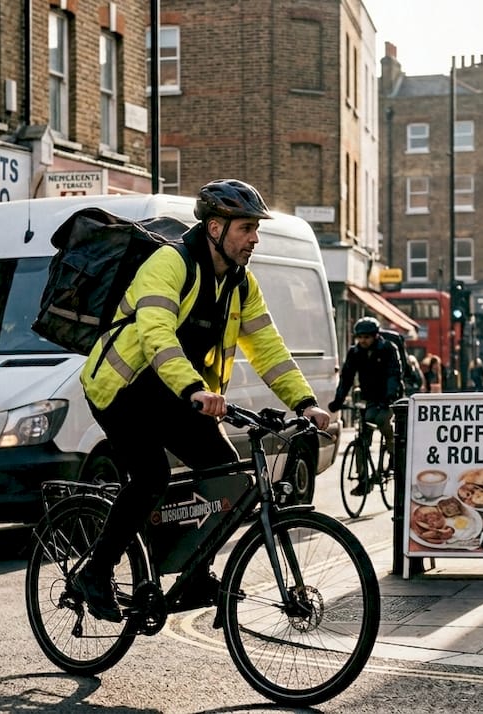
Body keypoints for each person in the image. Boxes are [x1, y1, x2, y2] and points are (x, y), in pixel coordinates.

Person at [72, 179, 332, 622]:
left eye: (256, 229)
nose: (255, 238)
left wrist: (304, 402)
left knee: (225, 473)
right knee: (150, 475)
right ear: (215, 228)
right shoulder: (168, 264)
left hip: (179, 393)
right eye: (246, 228)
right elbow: (156, 335)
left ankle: (192, 574)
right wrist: (196, 391)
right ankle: (94, 573)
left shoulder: (241, 284)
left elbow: (268, 347)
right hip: (123, 389)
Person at [328, 316, 402, 496]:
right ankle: (364, 479)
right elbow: (346, 378)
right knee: (362, 437)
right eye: (360, 337)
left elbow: (394, 374)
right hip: (369, 398)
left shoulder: (388, 349)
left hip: (388, 397)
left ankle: (393, 453)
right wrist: (338, 401)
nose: (363, 341)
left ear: (376, 336)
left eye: (366, 337)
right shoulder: (355, 352)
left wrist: (390, 397)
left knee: (382, 419)